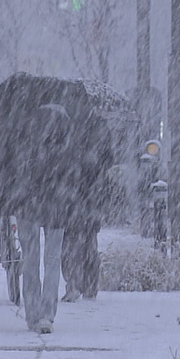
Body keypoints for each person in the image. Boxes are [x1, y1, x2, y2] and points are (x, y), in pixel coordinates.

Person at [0, 103, 77, 334]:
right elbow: (73, 178)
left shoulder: (24, 140)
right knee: (52, 260)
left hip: (28, 205)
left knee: (30, 258)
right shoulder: (66, 145)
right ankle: (48, 314)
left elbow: (10, 170)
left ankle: (32, 313)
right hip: (56, 207)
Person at [61, 113, 115, 301]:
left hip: (71, 190)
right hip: (93, 192)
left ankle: (73, 283)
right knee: (89, 239)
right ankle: (89, 285)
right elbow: (110, 158)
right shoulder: (98, 123)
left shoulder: (65, 122)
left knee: (70, 239)